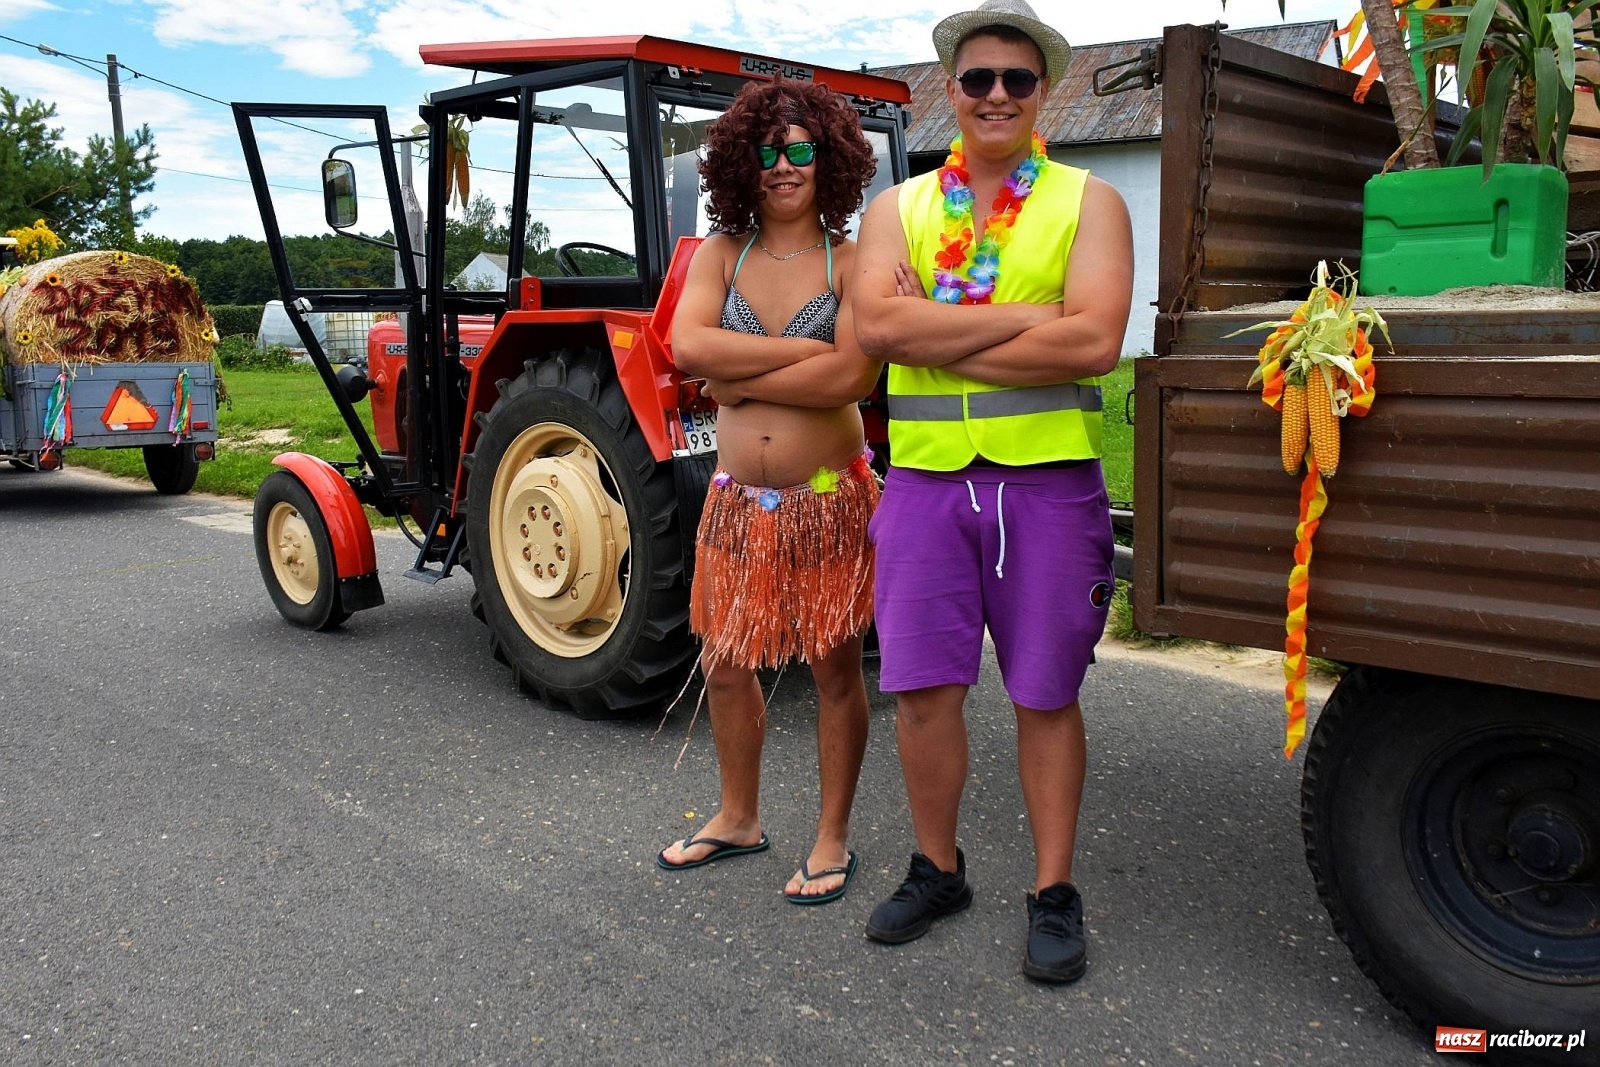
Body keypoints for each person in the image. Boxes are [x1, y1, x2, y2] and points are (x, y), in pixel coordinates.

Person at [851, 0, 1133, 980]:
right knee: (922, 692)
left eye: (1017, 78)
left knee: (1045, 692)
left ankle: (1053, 890)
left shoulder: (1090, 200)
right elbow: (877, 330)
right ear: (953, 90)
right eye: (979, 78)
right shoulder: (896, 209)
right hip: (925, 486)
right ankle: (938, 869)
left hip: (1046, 486)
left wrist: (936, 329)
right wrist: (1030, 319)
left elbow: (1093, 340)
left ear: (1042, 90)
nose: (998, 94)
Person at [655, 78, 881, 906]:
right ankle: (738, 816)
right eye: (767, 152)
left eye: (801, 150)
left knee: (833, 670)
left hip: (826, 498)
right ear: (740, 163)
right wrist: (804, 358)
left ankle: (832, 835)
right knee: (722, 661)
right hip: (736, 502)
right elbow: (687, 346)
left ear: (831, 160)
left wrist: (738, 380)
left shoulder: (849, 261)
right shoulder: (722, 254)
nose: (784, 166)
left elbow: (852, 376)